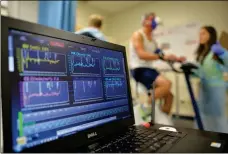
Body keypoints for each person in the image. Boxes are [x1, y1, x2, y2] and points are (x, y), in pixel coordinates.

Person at [129, 12, 185, 123]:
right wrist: (159, 56)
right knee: (167, 84)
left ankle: (163, 122)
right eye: (152, 19)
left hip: (148, 69)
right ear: (145, 21)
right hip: (139, 69)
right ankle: (145, 107)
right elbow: (141, 54)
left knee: (169, 96)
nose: (155, 21)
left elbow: (161, 54)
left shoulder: (153, 40)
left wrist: (175, 58)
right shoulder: (138, 35)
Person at [193, 26, 228, 133]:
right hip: (204, 88)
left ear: (211, 35)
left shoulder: (216, 50)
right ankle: (206, 141)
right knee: (203, 116)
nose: (200, 36)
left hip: (216, 89)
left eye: (203, 33)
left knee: (217, 117)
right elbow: (200, 72)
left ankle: (223, 142)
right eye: (200, 33)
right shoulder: (202, 53)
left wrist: (223, 53)